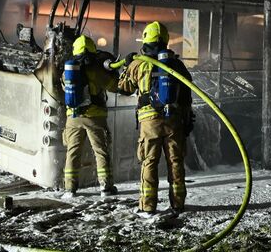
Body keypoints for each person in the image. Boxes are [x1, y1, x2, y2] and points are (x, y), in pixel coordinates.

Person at [118, 21, 193, 215]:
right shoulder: (176, 64)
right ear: (166, 39)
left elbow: (123, 88)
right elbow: (186, 93)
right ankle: (178, 204)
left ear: (146, 38)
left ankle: (147, 206)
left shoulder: (138, 63)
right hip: (174, 120)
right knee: (175, 162)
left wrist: (126, 65)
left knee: (149, 161)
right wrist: (186, 119)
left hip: (149, 121)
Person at [62, 35, 119, 197]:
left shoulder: (68, 71)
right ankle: (106, 187)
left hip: (72, 117)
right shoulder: (96, 71)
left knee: (72, 152)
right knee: (100, 151)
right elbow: (115, 87)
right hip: (95, 117)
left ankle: (70, 189)